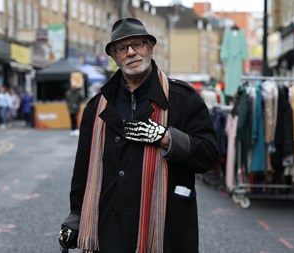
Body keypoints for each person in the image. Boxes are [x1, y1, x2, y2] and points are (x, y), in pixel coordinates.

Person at [59, 18, 219, 253]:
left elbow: (208, 155)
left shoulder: (183, 99)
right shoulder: (97, 107)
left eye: (137, 45)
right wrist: (75, 217)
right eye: (122, 48)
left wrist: (167, 137)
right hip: (108, 229)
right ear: (114, 57)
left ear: (150, 48)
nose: (131, 53)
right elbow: (82, 169)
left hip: (165, 229)